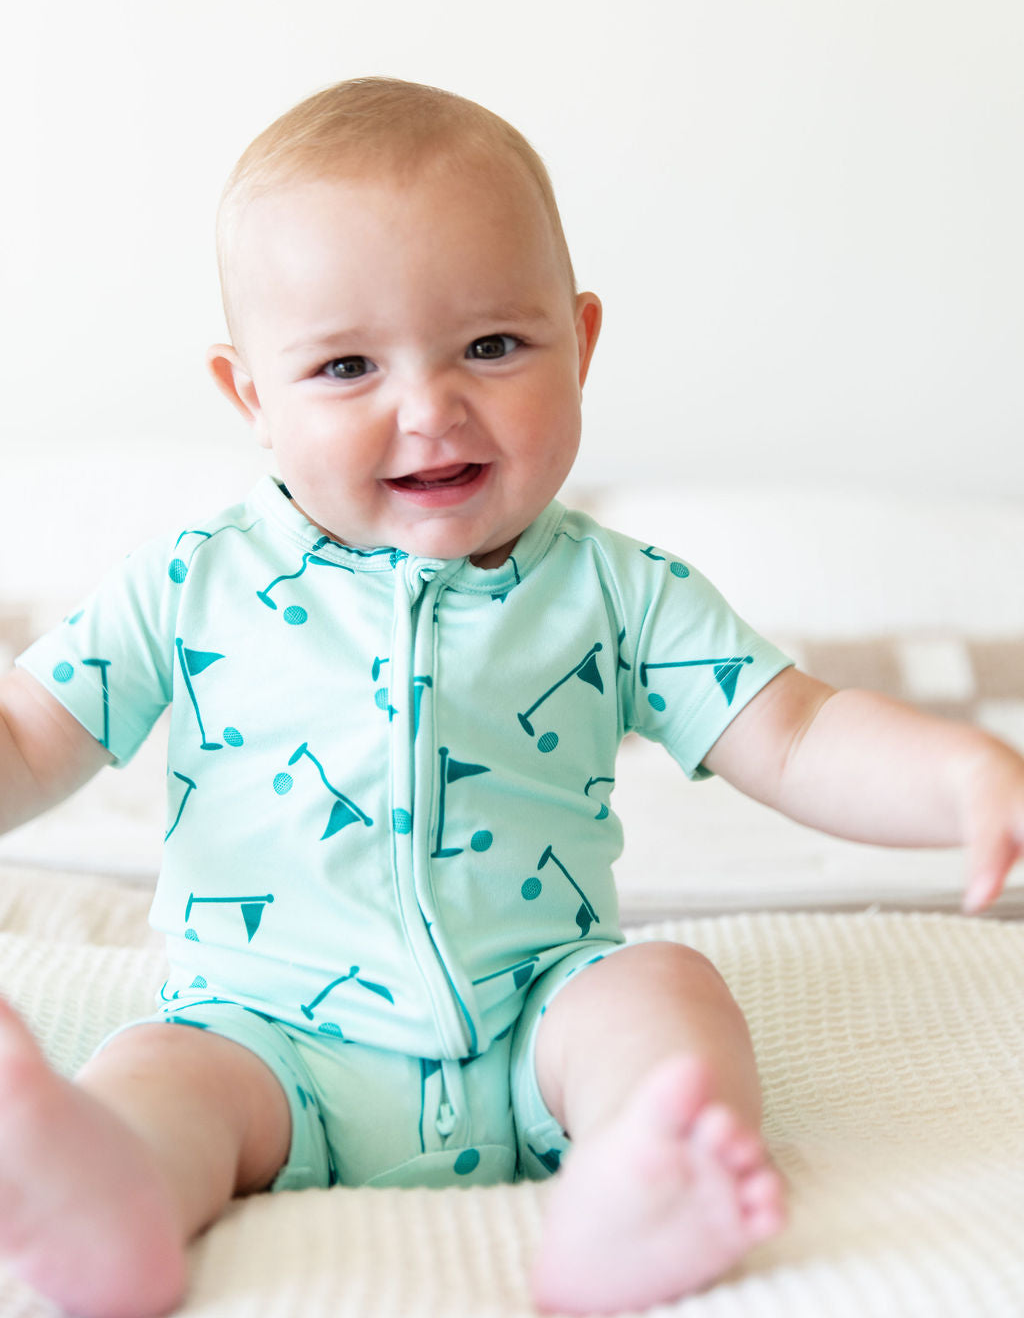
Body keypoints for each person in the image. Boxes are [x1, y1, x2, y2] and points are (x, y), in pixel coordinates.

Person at [1, 78, 1022, 1318]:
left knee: (666, 996)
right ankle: (112, 1202)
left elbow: (796, 731)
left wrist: (964, 775)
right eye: (345, 365)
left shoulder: (617, 592)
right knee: (154, 1076)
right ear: (252, 398)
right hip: (257, 1032)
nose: (429, 409)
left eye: (491, 345)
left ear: (579, 344)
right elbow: (30, 733)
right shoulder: (191, 582)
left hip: (535, 1021)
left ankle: (636, 1184)